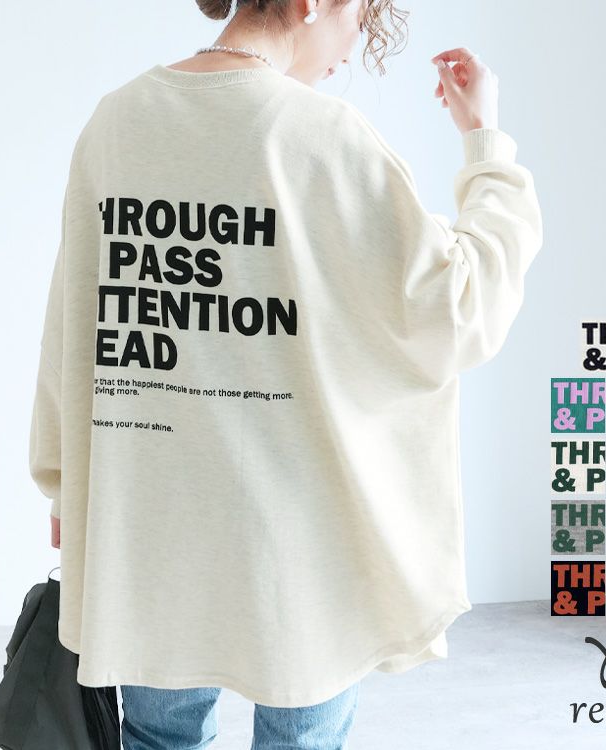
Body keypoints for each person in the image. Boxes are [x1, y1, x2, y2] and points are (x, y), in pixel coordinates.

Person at [29, 0, 543, 747]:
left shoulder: (117, 120)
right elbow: (458, 307)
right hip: (301, 538)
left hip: (150, 519)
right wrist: (485, 143)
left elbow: (78, 320)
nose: (352, 46)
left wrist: (65, 483)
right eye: (358, 15)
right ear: (311, 3)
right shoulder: (323, 136)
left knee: (160, 738)